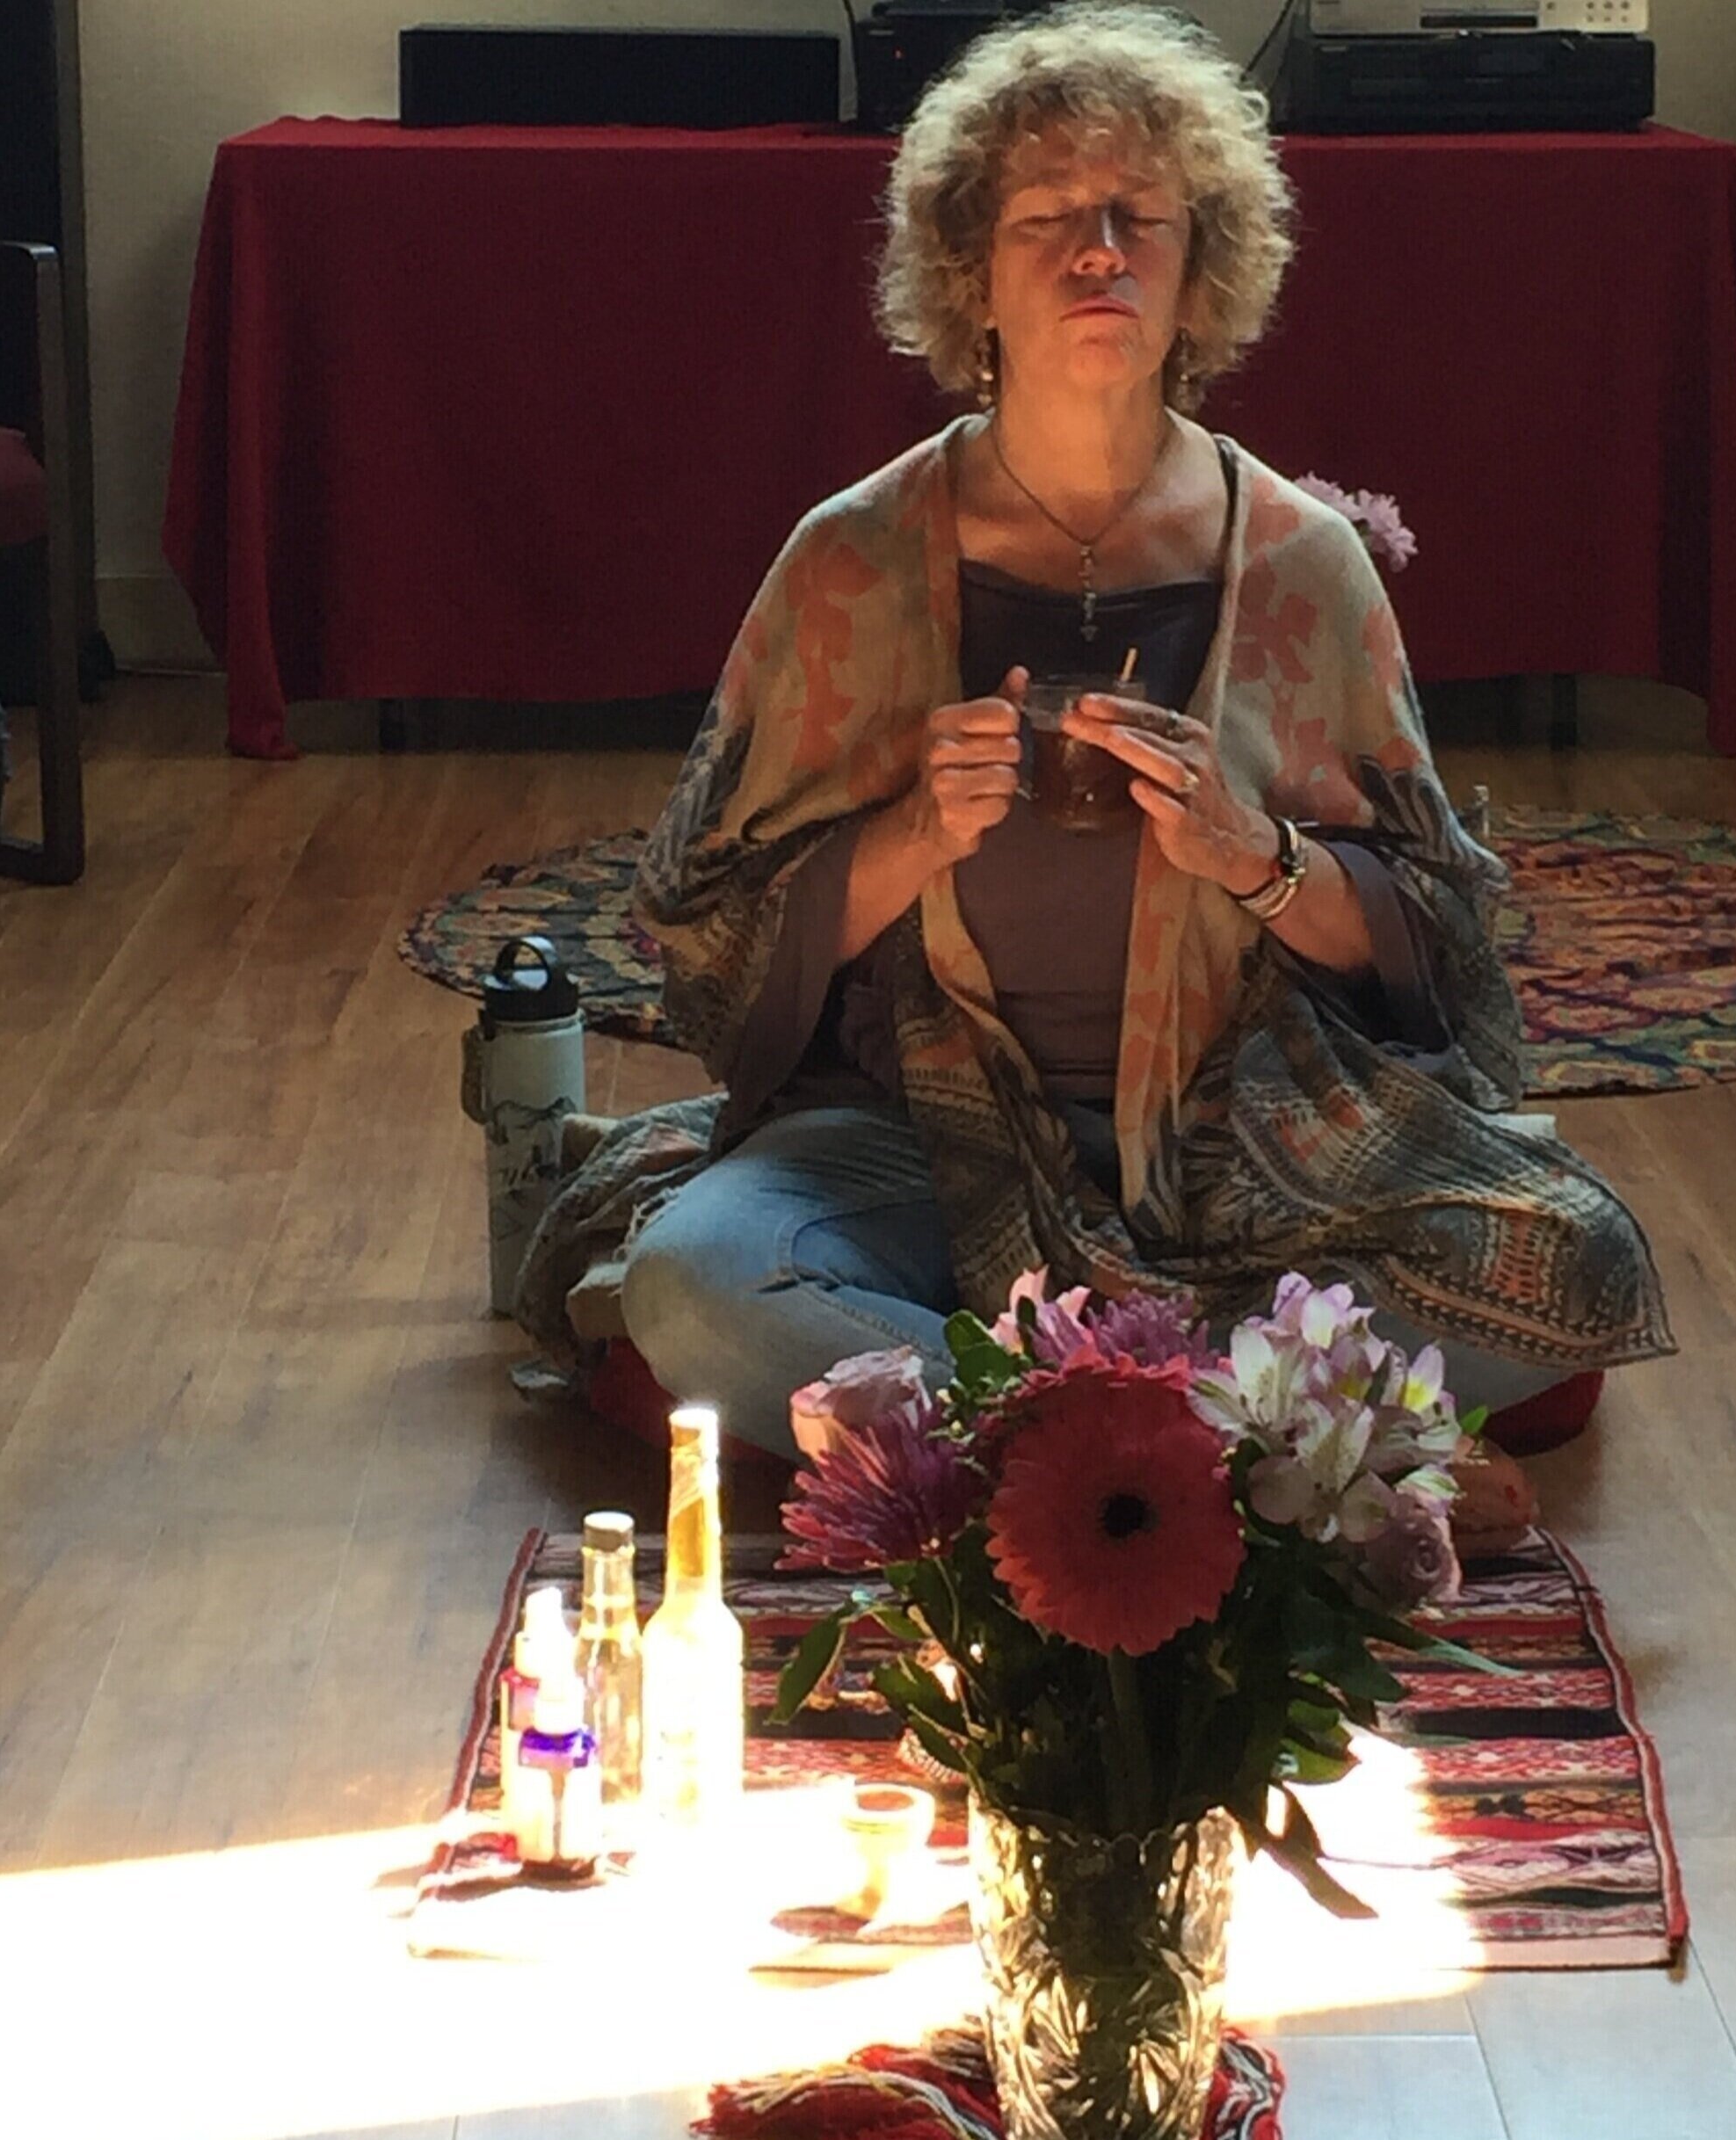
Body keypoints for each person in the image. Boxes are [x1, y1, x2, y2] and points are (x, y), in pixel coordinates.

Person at [537, 2, 1671, 1459]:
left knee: (1581, 1261)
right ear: (971, 274)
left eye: (1141, 215)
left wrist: (1258, 857)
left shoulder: (1301, 558)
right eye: (1048, 218)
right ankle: (1226, 1443)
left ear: (1200, 270)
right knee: (702, 1290)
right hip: (907, 1130)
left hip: (1255, 1128)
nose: (1098, 252)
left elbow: (1442, 943)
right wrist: (905, 836)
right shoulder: (853, 557)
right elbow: (702, 935)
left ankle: (1036, 1433)